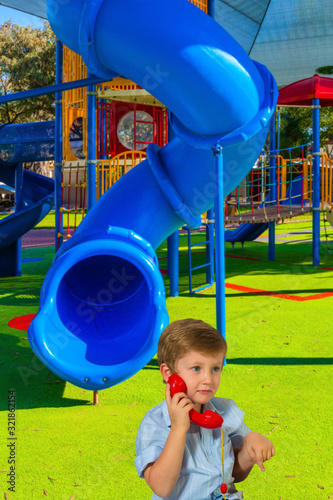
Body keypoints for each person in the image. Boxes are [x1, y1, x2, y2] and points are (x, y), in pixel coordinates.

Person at [135, 319, 275, 499]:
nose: (208, 379)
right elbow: (161, 488)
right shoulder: (154, 423)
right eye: (196, 368)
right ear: (169, 374)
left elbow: (235, 475)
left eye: (215, 369)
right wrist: (178, 429)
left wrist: (248, 451)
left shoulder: (227, 411)